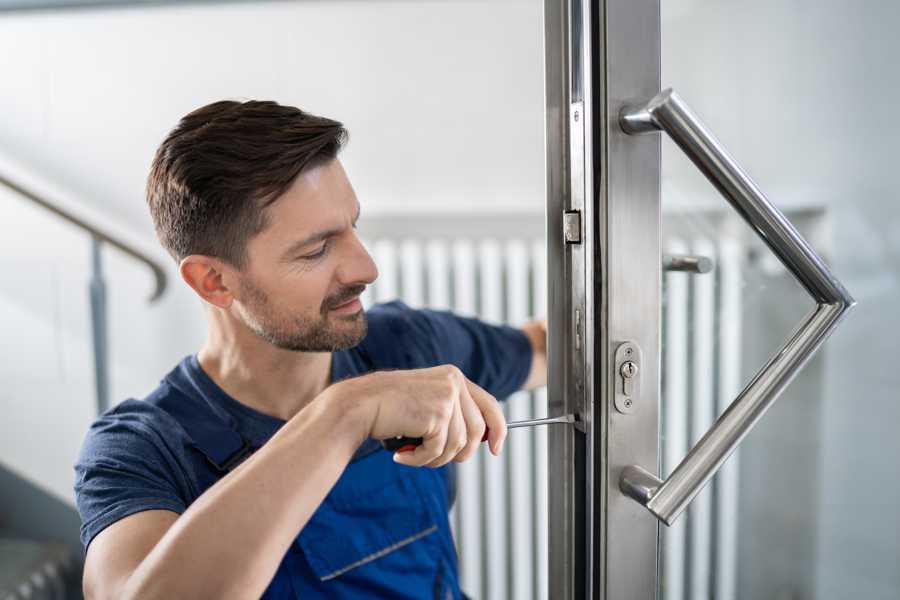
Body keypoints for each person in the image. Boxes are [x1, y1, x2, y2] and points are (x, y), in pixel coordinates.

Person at [73, 100, 548, 599]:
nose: (365, 268)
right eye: (316, 250)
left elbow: (544, 350)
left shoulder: (406, 344)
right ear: (213, 281)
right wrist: (346, 412)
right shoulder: (141, 449)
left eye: (353, 228)